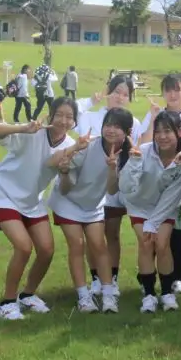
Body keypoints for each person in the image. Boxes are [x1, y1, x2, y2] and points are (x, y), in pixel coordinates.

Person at [0, 99, 78, 320]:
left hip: (32, 201)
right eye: (59, 114)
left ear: (74, 121)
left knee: (46, 250)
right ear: (50, 115)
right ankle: (8, 302)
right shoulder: (33, 132)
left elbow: (65, 188)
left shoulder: (71, 145)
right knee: (24, 247)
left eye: (69, 116)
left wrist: (65, 172)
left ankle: (27, 295)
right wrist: (22, 128)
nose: (63, 121)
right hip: (4, 194)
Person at [49, 108, 136, 314]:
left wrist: (112, 168)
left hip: (93, 204)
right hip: (67, 201)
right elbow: (65, 187)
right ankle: (83, 296)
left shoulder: (129, 154)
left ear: (127, 131)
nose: (111, 130)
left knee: (99, 246)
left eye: (117, 126)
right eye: (108, 124)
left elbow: (112, 189)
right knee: (77, 245)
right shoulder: (87, 146)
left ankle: (107, 295)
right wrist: (63, 171)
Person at [135, 73, 181, 296]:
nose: (173, 94)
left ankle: (178, 277)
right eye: (168, 90)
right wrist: (153, 117)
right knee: (153, 235)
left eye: (177, 89)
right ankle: (148, 277)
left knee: (177, 231)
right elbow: (143, 146)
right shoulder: (157, 115)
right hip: (155, 181)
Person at [121, 111, 181, 314]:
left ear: (179, 132)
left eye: (168, 131)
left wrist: (153, 222)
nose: (162, 136)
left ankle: (166, 292)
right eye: (158, 131)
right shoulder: (143, 151)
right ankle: (148, 294)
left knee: (162, 244)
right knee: (146, 243)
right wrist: (134, 163)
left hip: (166, 207)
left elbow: (172, 196)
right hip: (139, 205)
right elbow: (126, 187)